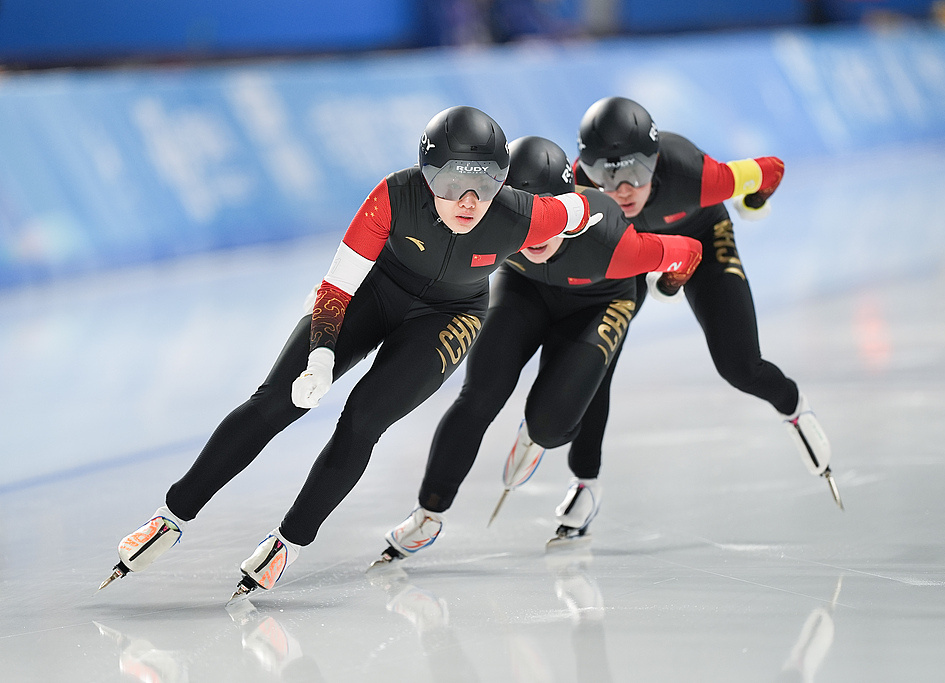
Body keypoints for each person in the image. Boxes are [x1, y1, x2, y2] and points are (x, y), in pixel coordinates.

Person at [99, 106, 597, 601]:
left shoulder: (520, 214)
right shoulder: (394, 195)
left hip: (451, 314)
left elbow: (580, 209)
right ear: (427, 176)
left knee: (363, 420)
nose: (468, 201)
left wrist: (578, 223)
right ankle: (171, 516)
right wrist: (320, 356)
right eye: (451, 184)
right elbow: (338, 285)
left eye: (484, 185)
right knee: (279, 399)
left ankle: (290, 541)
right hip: (373, 291)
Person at [373, 135, 703, 564]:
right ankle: (428, 514)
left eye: (547, 215)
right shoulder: (490, 222)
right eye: (525, 217)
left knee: (556, 416)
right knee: (480, 394)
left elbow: (689, 251)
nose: (536, 232)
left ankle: (574, 470)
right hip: (524, 290)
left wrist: (668, 285)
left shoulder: (612, 242)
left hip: (600, 301)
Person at [569, 96, 842, 511]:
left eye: (635, 172)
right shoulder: (575, 186)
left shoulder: (695, 175)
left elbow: (771, 169)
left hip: (700, 234)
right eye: (607, 176)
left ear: (656, 161)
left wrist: (751, 201)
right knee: (596, 362)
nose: (622, 190)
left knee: (739, 366)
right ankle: (585, 482)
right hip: (632, 250)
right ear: (586, 170)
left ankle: (793, 406)